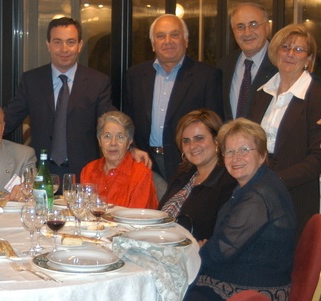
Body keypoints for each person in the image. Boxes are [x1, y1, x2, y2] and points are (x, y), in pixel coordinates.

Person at [0, 17, 149, 180]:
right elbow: (8, 118)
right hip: (40, 171)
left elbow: (111, 122)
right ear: (48, 44)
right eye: (57, 42)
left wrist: (131, 148)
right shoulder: (32, 80)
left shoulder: (97, 82)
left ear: (80, 45)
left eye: (70, 42)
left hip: (83, 172)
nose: (64, 49)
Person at [179, 118, 297, 301]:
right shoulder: (258, 183)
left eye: (244, 150)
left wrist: (199, 250)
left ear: (262, 154)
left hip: (256, 299)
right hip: (251, 282)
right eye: (230, 151)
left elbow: (220, 252)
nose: (236, 158)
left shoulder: (258, 196)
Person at [220, 2, 321, 151]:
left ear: (267, 28)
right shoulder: (226, 64)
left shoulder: (286, 63)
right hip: (231, 155)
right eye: (240, 26)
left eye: (253, 24)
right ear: (233, 31)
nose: (247, 32)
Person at [249, 23, 321, 233]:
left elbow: (319, 159)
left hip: (294, 196)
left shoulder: (318, 97)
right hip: (255, 190)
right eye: (285, 47)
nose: (290, 54)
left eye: (298, 49)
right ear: (276, 51)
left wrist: (276, 180)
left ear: (309, 59)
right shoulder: (262, 93)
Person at [124, 14, 224, 183]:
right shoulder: (136, 75)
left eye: (174, 35)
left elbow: (214, 126)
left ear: (186, 40)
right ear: (153, 44)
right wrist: (132, 148)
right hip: (145, 162)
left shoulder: (207, 76)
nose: (167, 41)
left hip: (189, 163)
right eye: (160, 36)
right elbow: (128, 120)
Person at [158, 109, 236, 242]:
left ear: (216, 140)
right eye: (186, 141)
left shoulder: (228, 181)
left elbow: (225, 233)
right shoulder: (182, 173)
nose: (192, 146)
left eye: (199, 138)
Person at [80, 111, 157, 209]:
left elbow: (137, 216)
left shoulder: (140, 174)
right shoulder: (89, 170)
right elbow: (82, 210)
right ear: (99, 141)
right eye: (107, 136)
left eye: (120, 137)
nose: (113, 143)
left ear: (129, 143)